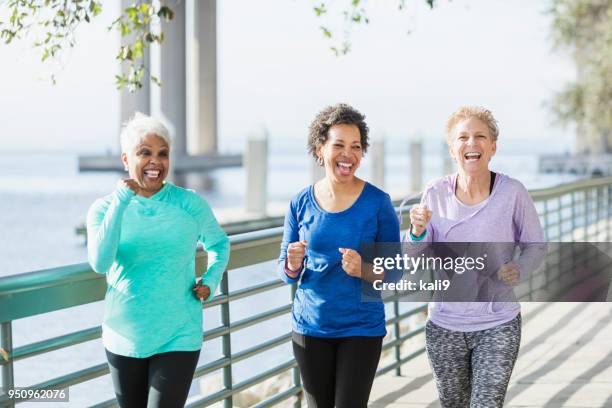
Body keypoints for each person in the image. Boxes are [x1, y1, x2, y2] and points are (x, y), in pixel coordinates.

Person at [87, 112, 230, 408]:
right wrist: (122, 200)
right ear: (126, 159)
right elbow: (100, 263)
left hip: (178, 333)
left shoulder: (189, 203)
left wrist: (211, 280)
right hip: (123, 336)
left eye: (162, 154)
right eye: (145, 153)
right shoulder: (103, 209)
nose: (155, 161)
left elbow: (219, 243)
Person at [406, 106, 545, 408]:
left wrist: (518, 269)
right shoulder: (435, 193)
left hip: (498, 323)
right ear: (452, 149)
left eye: (480, 136)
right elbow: (411, 256)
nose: (472, 143)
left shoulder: (512, 193)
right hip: (445, 326)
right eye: (463, 137)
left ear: (492, 147)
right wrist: (416, 230)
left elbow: (536, 245)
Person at [277, 103, 400, 408]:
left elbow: (396, 270)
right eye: (339, 145)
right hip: (310, 326)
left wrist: (364, 269)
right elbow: (284, 269)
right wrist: (292, 264)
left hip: (361, 327)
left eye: (356, 147)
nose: (349, 154)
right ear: (320, 149)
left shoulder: (378, 203)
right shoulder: (299, 203)